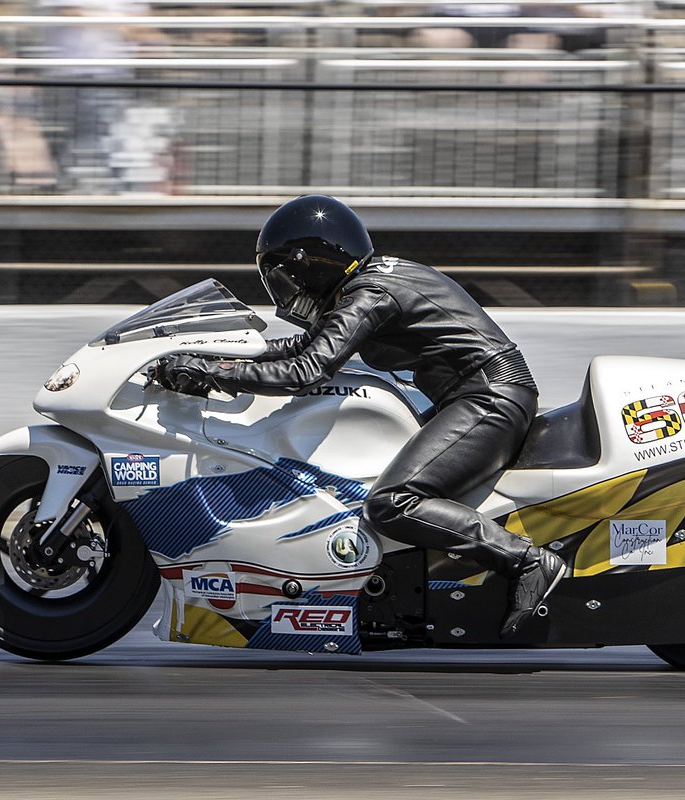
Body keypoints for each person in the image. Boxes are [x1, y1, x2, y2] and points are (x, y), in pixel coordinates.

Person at [157, 195, 566, 638]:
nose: (284, 289)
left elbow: (307, 369)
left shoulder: (370, 293)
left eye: (283, 275)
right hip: (473, 394)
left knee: (392, 502)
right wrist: (204, 356)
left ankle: (526, 560)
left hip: (487, 397)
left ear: (310, 265)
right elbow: (300, 348)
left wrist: (217, 373)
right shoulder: (367, 284)